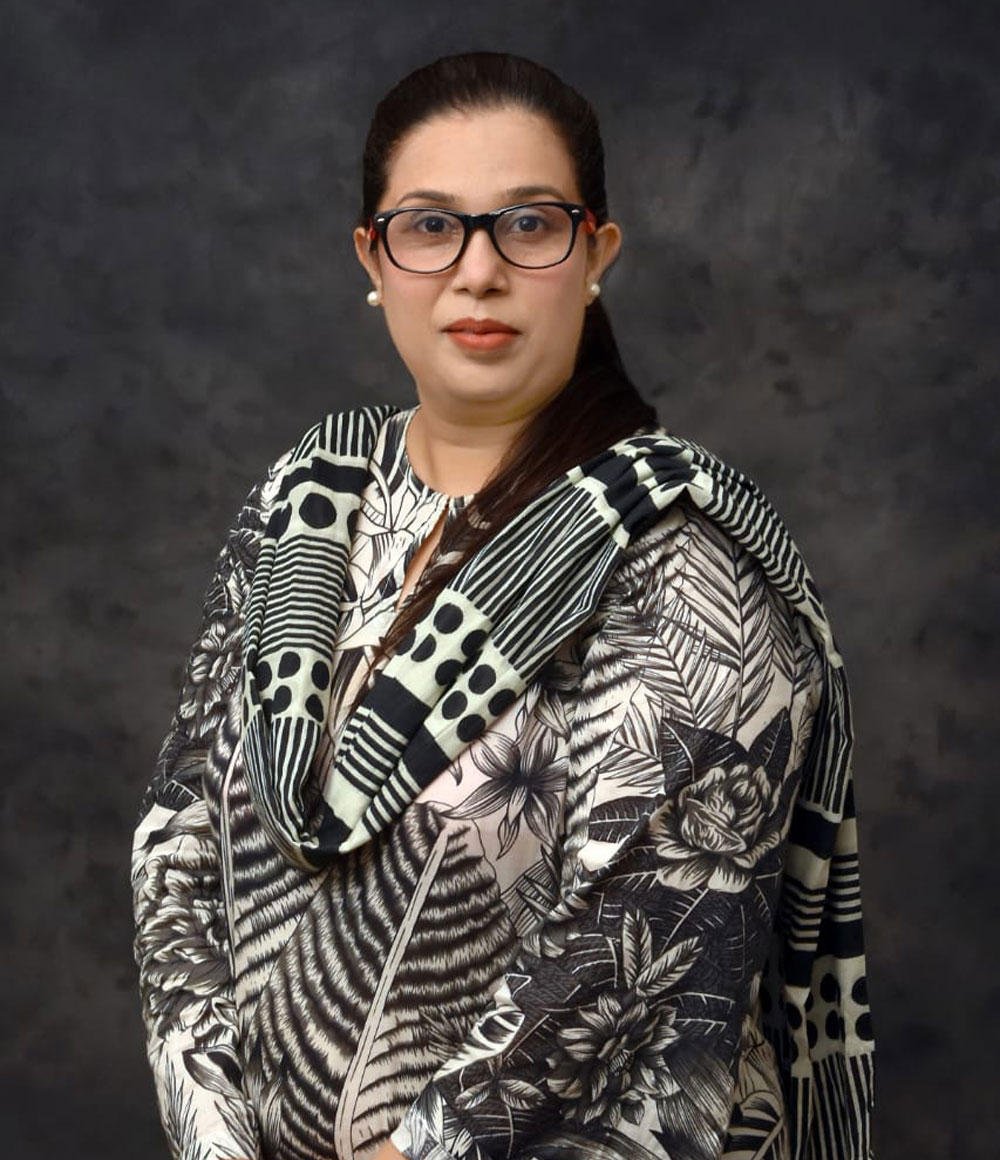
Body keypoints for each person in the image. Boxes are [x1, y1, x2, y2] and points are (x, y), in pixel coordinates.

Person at [131, 51, 875, 1160]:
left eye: (528, 225)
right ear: (372, 258)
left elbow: (635, 956)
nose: (477, 271)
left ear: (595, 254)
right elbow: (177, 841)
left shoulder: (684, 559)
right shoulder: (304, 505)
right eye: (430, 227)